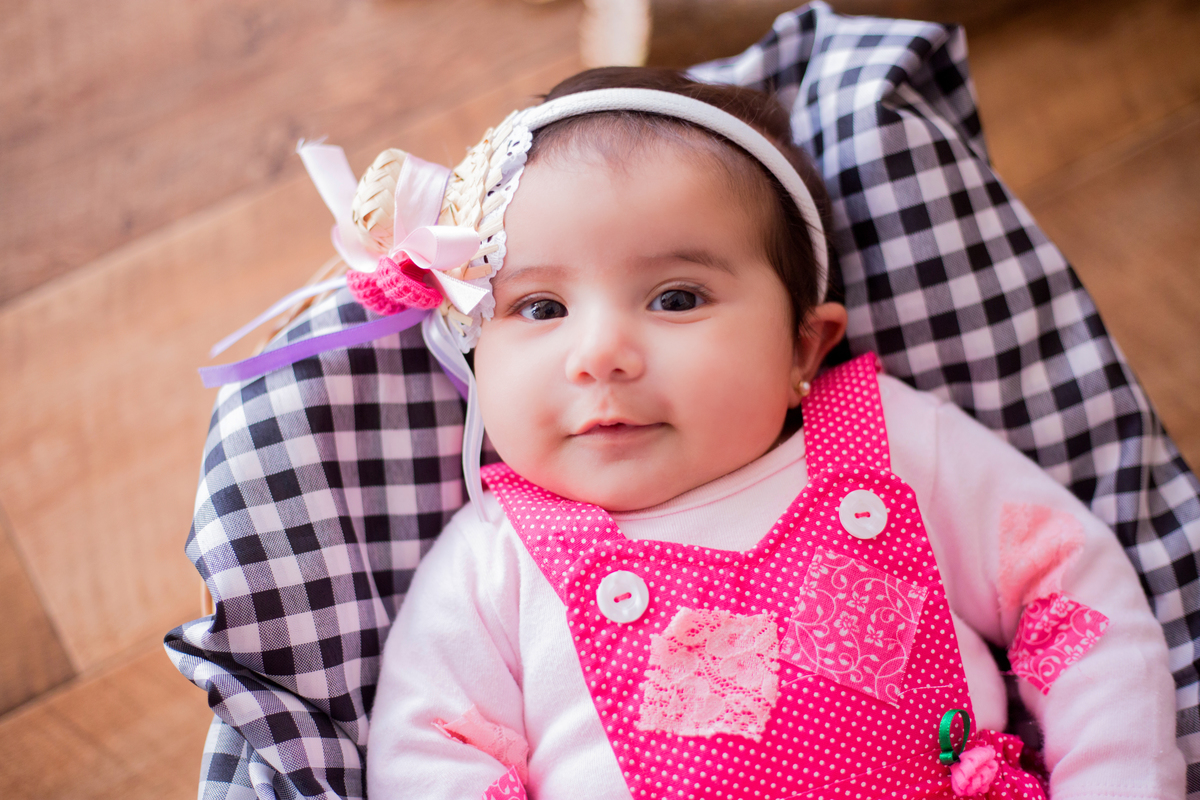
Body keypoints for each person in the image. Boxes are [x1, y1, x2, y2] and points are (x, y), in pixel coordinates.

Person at [258, 65, 1174, 798]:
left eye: (676, 297)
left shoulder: (889, 447)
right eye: (540, 307)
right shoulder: (497, 563)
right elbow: (431, 754)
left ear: (802, 347)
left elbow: (1070, 593)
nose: (601, 353)